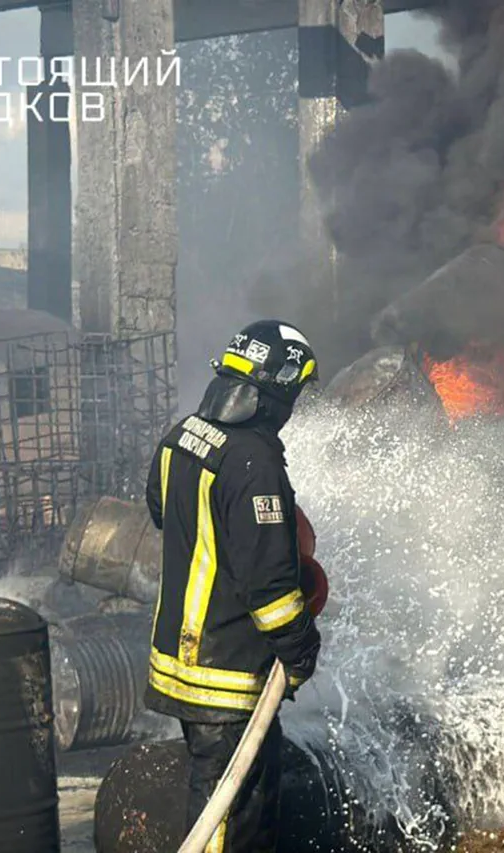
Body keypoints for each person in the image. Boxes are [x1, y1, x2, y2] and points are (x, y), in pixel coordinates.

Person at [144, 320, 323, 853]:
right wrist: (301, 650)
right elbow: (269, 587)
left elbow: (163, 513)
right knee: (232, 823)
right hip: (226, 676)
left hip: (179, 662)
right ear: (279, 387)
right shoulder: (254, 460)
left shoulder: (182, 437)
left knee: (214, 801)